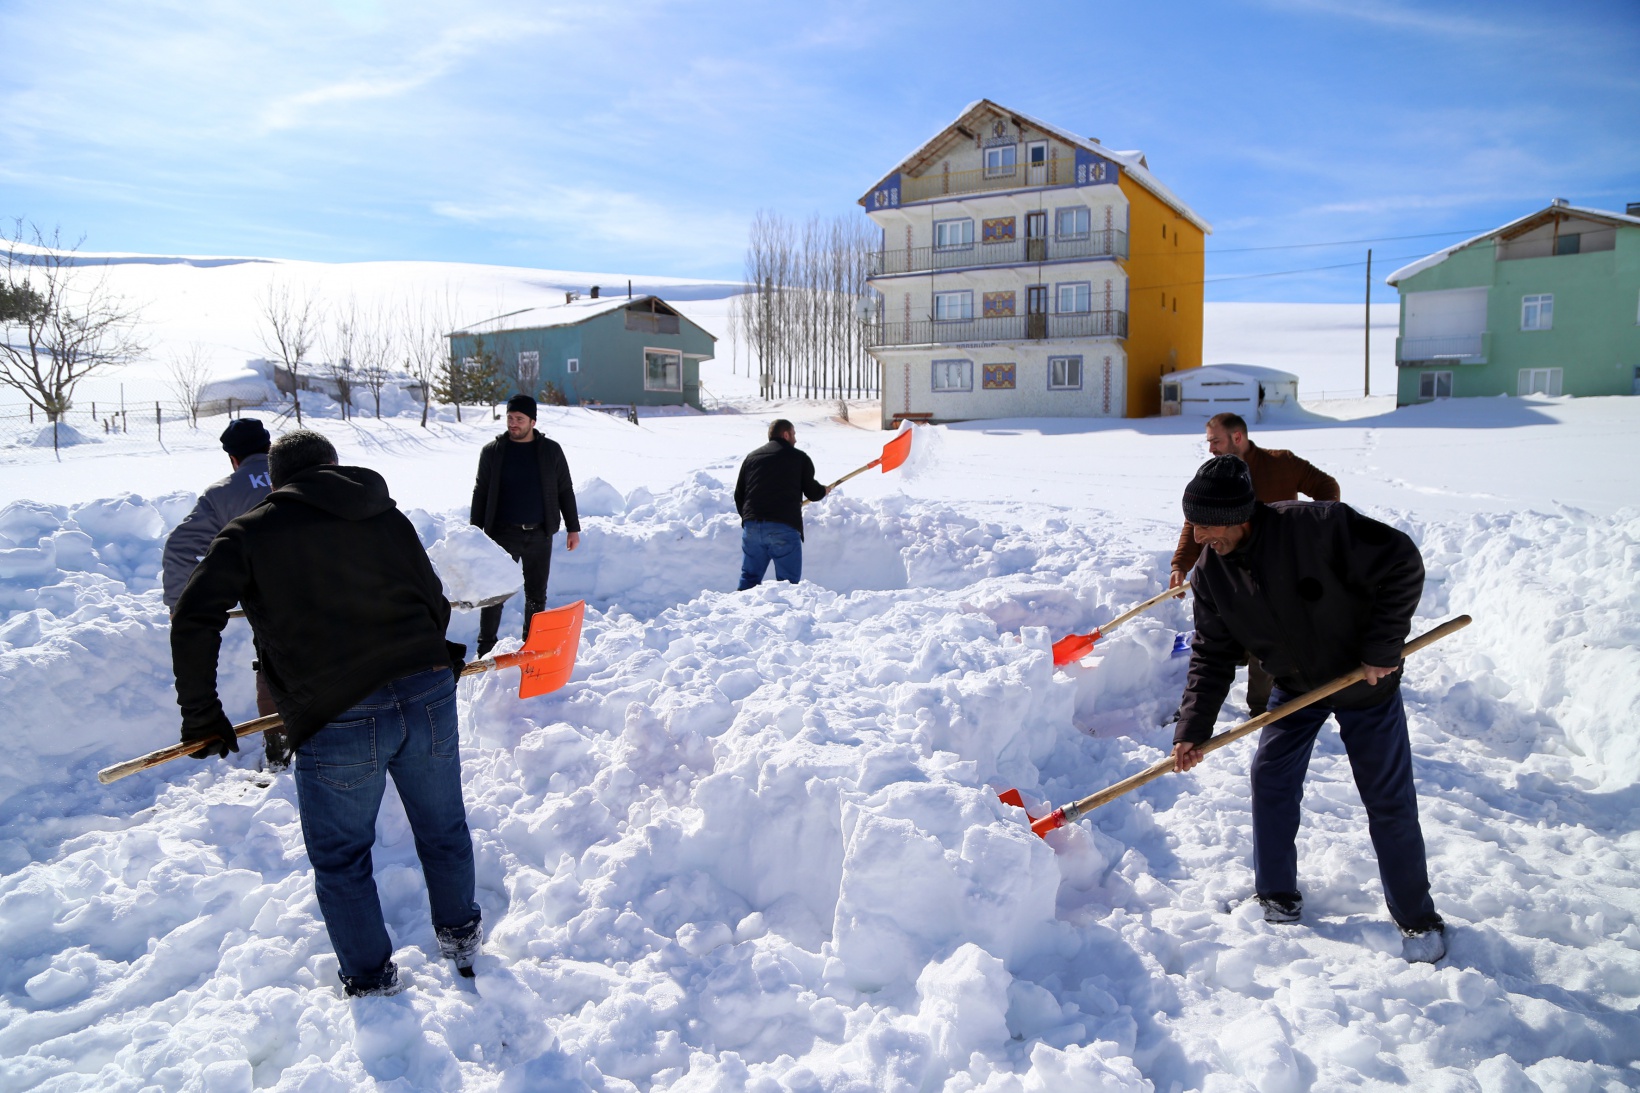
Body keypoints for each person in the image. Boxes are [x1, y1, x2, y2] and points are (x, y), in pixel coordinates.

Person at [170, 431, 482, 996]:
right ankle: (461, 934)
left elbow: (194, 613)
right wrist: (418, 660)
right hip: (427, 688)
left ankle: (370, 979)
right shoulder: (386, 515)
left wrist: (201, 714)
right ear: (334, 468)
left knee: (342, 857)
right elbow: (433, 600)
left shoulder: (249, 532)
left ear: (279, 480)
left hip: (339, 710)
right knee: (443, 827)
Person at [1169, 455, 1446, 963]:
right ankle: (1276, 893)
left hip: (1365, 680)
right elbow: (1212, 654)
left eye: (1208, 525)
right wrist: (1193, 728)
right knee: (1270, 777)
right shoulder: (1211, 575)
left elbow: (1402, 563)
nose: (1201, 536)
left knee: (1387, 798)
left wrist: (1382, 649)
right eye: (1195, 525)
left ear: (1238, 514)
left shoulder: (1319, 525)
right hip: (1294, 685)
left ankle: (1416, 916)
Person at [1171, 412, 1340, 716]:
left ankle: (1263, 711)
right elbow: (1197, 522)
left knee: (1269, 640)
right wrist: (1181, 563)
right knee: (1218, 640)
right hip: (1232, 568)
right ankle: (1197, 711)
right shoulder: (1214, 474)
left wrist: (1312, 532)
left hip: (1280, 571)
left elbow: (1326, 487)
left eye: (1215, 441)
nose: (1210, 449)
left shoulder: (1281, 464)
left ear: (1237, 437)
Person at [161, 418, 286, 764]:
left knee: (272, 665)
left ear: (232, 457)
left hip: (269, 602)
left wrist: (181, 602)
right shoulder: (298, 476)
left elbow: (179, 548)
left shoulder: (222, 494)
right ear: (270, 447)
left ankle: (280, 745)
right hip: (328, 590)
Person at [469, 394, 581, 658]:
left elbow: (565, 489)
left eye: (519, 419)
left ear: (533, 421)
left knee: (536, 595)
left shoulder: (550, 451)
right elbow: (480, 491)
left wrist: (573, 528)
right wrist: (474, 531)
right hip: (502, 534)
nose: (513, 424)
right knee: (494, 594)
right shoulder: (493, 452)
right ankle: (486, 649)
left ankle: (532, 648)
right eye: (510, 418)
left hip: (539, 534)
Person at [734, 419, 828, 589]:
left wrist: (751, 519)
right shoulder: (799, 458)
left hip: (752, 527)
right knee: (788, 585)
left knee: (749, 578)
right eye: (794, 434)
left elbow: (739, 495)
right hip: (783, 528)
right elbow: (812, 492)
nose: (795, 439)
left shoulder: (752, 458)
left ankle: (740, 613)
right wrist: (823, 491)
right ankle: (787, 614)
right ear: (786, 434)